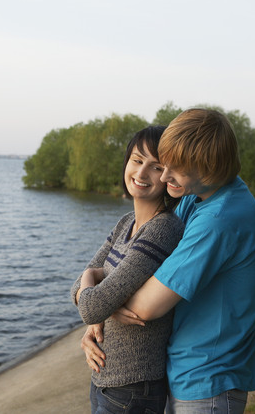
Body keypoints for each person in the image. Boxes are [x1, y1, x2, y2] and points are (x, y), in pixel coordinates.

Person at [81, 108, 255, 414]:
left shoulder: (219, 219)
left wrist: (98, 306)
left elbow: (145, 306)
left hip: (208, 377)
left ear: (207, 168)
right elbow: (131, 269)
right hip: (182, 369)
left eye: (175, 168)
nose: (165, 175)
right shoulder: (198, 197)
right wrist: (95, 318)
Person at [70, 126, 185, 413]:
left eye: (155, 166)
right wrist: (103, 300)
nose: (142, 173)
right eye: (137, 160)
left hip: (134, 387)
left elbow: (90, 306)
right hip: (105, 380)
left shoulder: (162, 229)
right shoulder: (126, 223)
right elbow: (76, 293)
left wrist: (93, 281)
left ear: (169, 176)